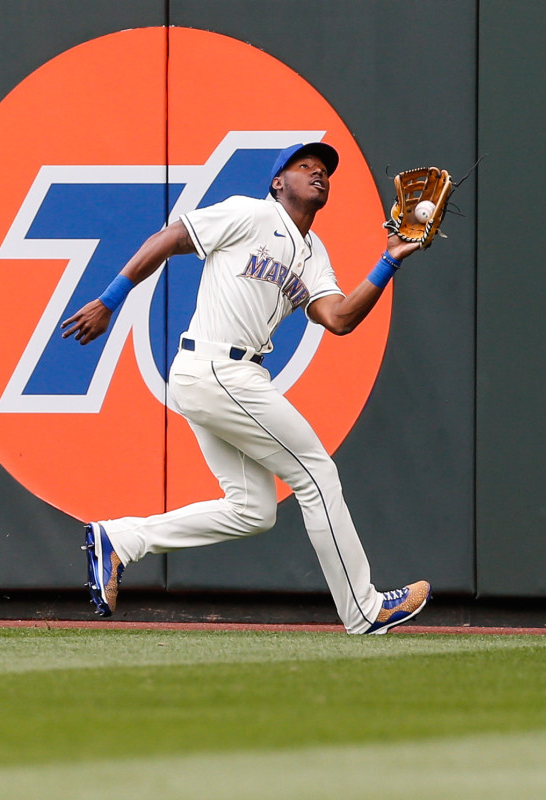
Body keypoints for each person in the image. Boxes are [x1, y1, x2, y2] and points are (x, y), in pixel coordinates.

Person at [62, 142, 429, 634]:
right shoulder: (250, 213)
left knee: (253, 511)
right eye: (306, 167)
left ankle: (121, 540)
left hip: (229, 375)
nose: (319, 175)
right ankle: (364, 608)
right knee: (317, 475)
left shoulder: (313, 253)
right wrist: (112, 298)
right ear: (278, 181)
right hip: (216, 366)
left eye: (324, 172)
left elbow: (339, 319)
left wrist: (389, 261)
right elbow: (170, 238)